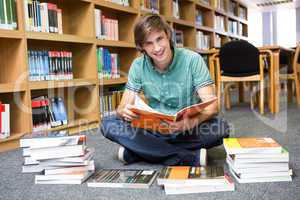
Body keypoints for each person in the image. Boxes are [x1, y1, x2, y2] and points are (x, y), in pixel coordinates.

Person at [100, 14, 230, 166]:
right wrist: (123, 111)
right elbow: (122, 107)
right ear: (142, 46)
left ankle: (141, 151)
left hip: (186, 130)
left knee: (221, 128)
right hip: (153, 129)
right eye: (149, 43)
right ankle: (186, 157)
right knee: (108, 124)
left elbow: (212, 106)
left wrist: (191, 122)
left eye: (159, 39)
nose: (157, 48)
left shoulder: (193, 60)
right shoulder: (138, 65)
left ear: (168, 35)